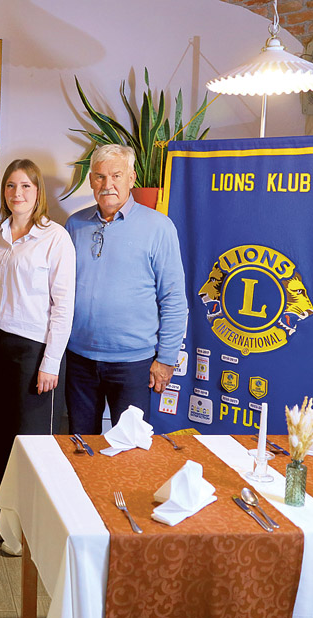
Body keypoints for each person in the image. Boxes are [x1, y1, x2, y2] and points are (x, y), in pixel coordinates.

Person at [0, 159, 75, 550]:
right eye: (11, 186)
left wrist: (51, 363)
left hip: (35, 352)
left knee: (32, 445)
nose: (17, 193)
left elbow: (63, 306)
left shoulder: (55, 238)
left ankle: (28, 532)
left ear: (38, 193)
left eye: (26, 186)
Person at [64, 144, 187, 434]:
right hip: (80, 360)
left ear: (131, 178)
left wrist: (166, 359)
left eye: (116, 176)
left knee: (132, 448)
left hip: (134, 364)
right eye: (100, 176)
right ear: (91, 180)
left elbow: (173, 299)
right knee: (80, 446)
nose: (107, 184)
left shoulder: (159, 227)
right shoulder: (74, 224)